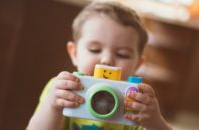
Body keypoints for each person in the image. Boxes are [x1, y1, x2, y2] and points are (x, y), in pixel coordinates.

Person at [28, 1, 172, 130]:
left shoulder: (134, 101)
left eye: (122, 54)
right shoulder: (63, 90)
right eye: (95, 50)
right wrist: (52, 107)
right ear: (75, 54)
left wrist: (154, 122)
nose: (106, 60)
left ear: (137, 65)